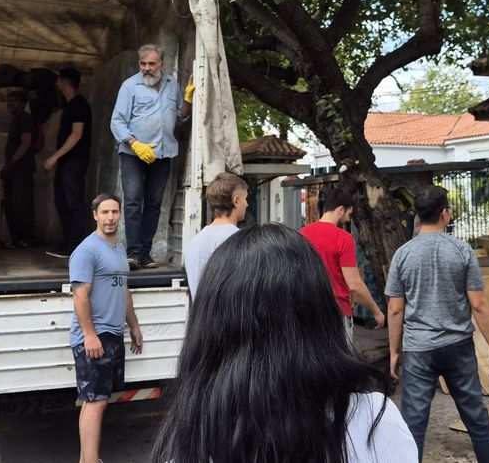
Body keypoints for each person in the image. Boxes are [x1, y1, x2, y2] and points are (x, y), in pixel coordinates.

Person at [153, 223, 417, 462]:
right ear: (320, 311)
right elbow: (355, 283)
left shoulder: (188, 435)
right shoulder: (374, 420)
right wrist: (376, 311)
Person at [386, 185, 489, 462]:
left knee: (413, 424)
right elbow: (479, 304)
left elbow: (394, 309)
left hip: (418, 349)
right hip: (458, 345)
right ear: (444, 214)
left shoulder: (403, 254)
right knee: (477, 419)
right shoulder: (461, 251)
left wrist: (394, 352)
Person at [69, 193, 144, 463]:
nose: (110, 218)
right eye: (105, 213)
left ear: (120, 215)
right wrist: (89, 336)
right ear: (95, 215)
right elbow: (80, 295)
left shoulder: (119, 249)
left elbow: (123, 291)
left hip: (113, 334)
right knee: (95, 400)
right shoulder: (87, 250)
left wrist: (133, 325)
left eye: (114, 212)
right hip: (94, 336)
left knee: (102, 398)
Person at [109, 44, 193, 269]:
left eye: (151, 64)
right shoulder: (129, 86)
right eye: (143, 64)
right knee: (134, 201)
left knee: (154, 203)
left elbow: (180, 117)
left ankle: (145, 254)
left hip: (162, 152)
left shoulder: (172, 84)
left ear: (161, 64)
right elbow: (116, 121)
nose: (146, 68)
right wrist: (134, 143)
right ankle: (134, 253)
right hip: (133, 153)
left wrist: (188, 99)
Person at [299, 188, 386, 344]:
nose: (347, 219)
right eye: (348, 214)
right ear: (340, 210)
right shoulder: (343, 238)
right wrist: (376, 310)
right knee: (340, 365)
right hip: (337, 312)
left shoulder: (302, 234)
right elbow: (354, 284)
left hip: (307, 310)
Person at [45, 67, 93, 259]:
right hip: (67, 162)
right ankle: (67, 243)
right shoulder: (70, 105)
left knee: (73, 202)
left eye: (58, 80)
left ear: (63, 82)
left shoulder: (79, 105)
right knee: (62, 202)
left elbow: (76, 135)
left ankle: (75, 246)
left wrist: (54, 157)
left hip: (74, 161)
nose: (57, 84)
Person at [184, 172, 247, 292]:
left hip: (200, 311)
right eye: (245, 198)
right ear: (236, 201)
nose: (247, 204)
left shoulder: (195, 241)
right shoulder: (237, 239)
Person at [2, 90, 38, 249]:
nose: (10, 104)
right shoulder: (15, 120)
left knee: (21, 204)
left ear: (23, 103)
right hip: (14, 168)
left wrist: (12, 162)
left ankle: (27, 238)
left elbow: (26, 142)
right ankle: (16, 239)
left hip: (21, 168)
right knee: (10, 204)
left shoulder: (25, 119)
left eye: (14, 101)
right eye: (9, 100)